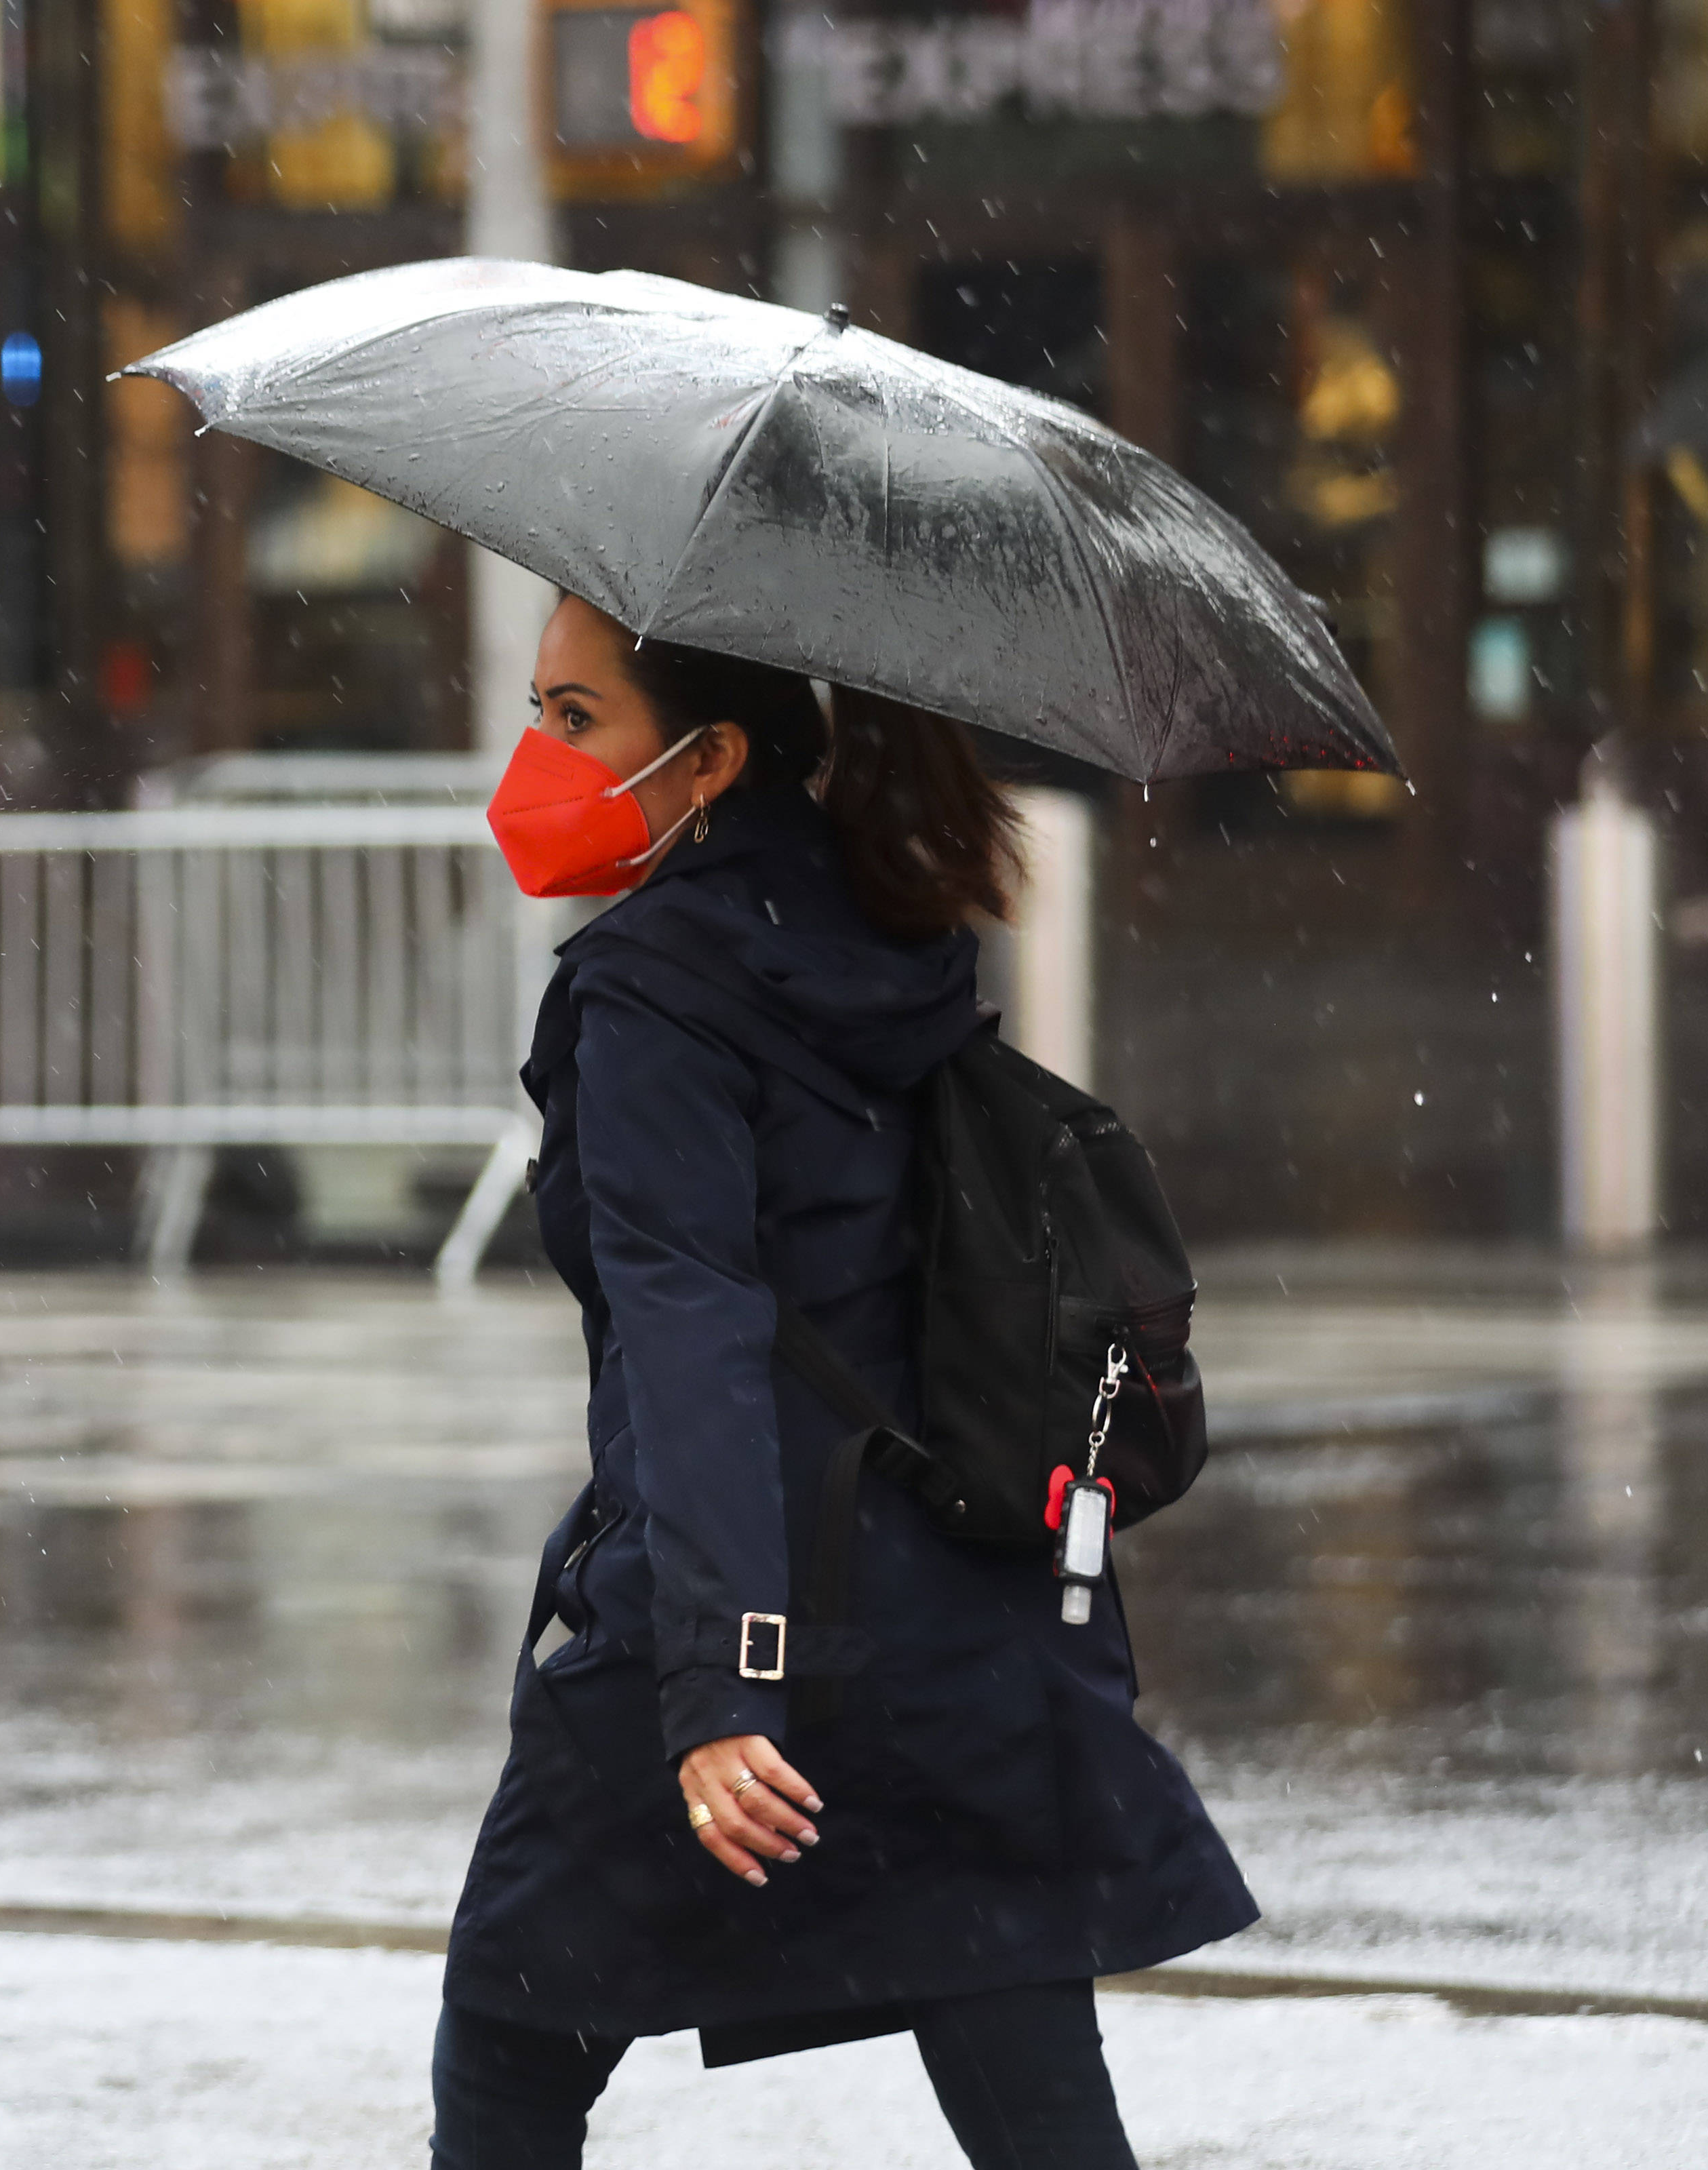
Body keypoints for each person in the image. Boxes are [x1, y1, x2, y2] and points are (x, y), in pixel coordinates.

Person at [435, 597, 1256, 2168]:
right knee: (1025, 2070)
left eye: (573, 717)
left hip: (755, 1590)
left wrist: (718, 1682)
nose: (536, 756)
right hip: (962, 1601)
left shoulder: (655, 988)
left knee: (511, 2040)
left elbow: (695, 1327)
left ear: (710, 756)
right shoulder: (887, 925)